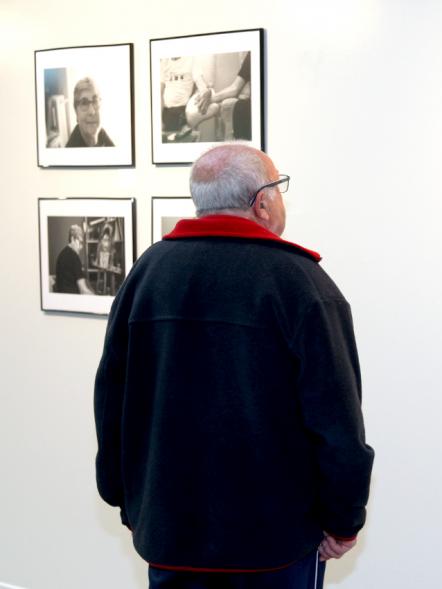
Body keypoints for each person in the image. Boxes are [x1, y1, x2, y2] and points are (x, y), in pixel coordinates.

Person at [94, 144, 374, 588]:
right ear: (262, 202)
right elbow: (336, 421)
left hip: (170, 529)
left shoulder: (147, 274)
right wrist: (343, 519)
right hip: (273, 541)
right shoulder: (302, 284)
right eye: (279, 188)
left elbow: (112, 400)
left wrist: (126, 498)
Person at [66, 77, 114, 147]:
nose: (92, 112)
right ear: (76, 112)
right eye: (84, 103)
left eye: (95, 101)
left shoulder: (101, 133)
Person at [54, 224, 94, 294]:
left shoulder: (62, 253)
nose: (81, 247)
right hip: (72, 299)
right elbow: (83, 291)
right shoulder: (74, 257)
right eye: (80, 243)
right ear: (72, 239)